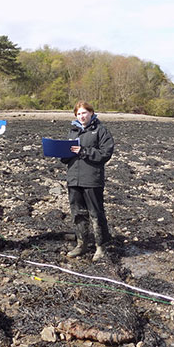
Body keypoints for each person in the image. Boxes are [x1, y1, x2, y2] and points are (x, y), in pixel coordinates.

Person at [61, 101, 115, 261]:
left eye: (84, 113)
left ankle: (101, 246)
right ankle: (81, 243)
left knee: (96, 213)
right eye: (78, 114)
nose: (81, 116)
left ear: (91, 113)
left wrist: (84, 151)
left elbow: (106, 153)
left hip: (92, 179)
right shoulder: (73, 131)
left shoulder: (101, 130)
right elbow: (65, 157)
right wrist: (62, 152)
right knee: (77, 213)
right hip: (74, 179)